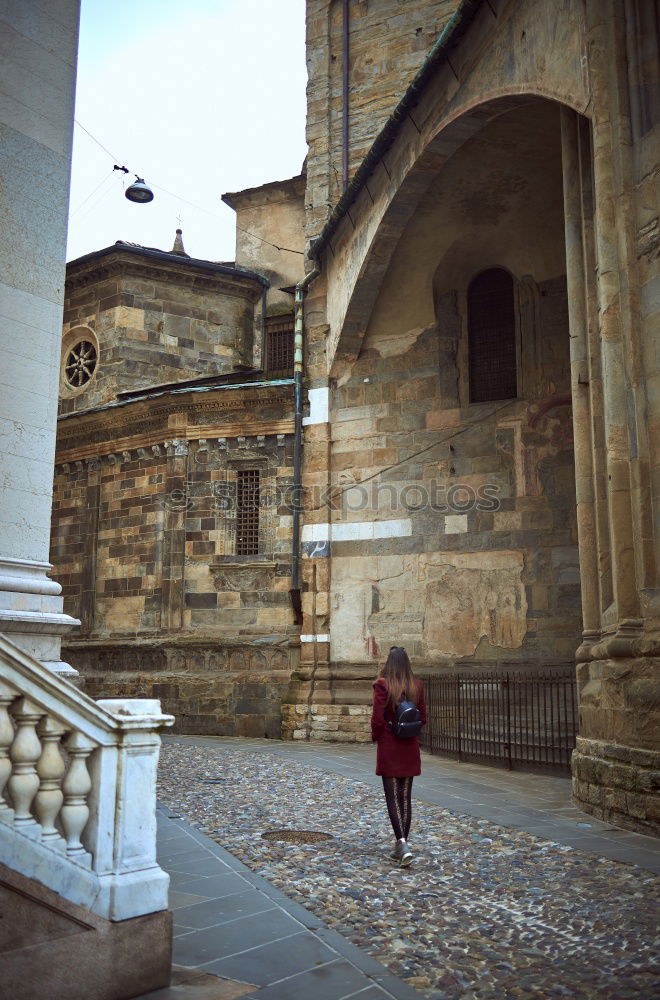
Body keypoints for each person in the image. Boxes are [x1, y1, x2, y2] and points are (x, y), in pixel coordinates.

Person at [371, 646, 427, 866]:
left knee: (392, 798)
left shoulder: (383, 685)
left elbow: (377, 719)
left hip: (390, 744)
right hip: (409, 746)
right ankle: (401, 846)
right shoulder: (417, 685)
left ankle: (402, 843)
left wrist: (378, 736)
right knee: (405, 797)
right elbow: (423, 717)